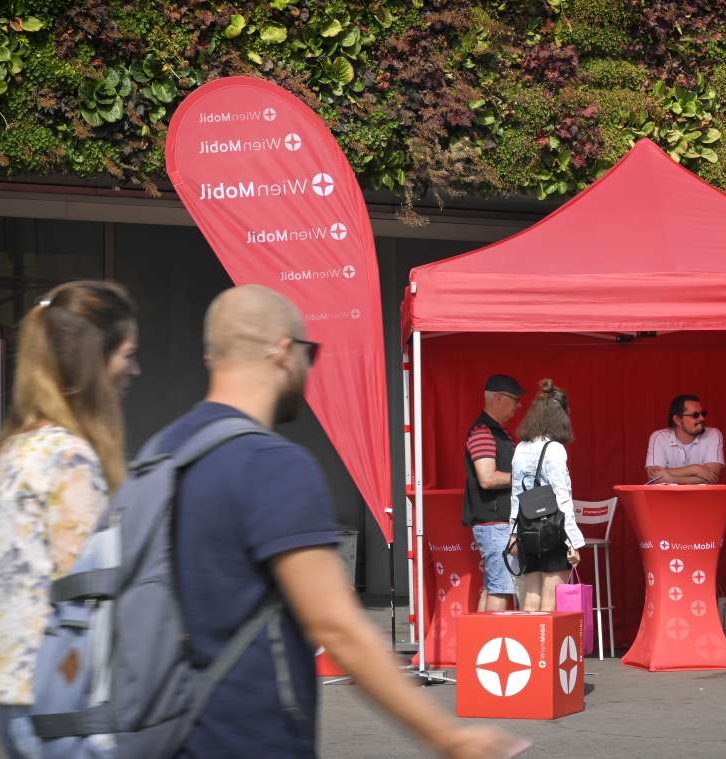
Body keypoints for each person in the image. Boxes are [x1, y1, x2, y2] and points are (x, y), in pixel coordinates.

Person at [163, 285, 523, 759]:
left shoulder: (161, 456)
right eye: (309, 353)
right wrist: (448, 737)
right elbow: (338, 627)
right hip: (252, 736)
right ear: (284, 352)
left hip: (168, 730)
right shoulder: (272, 465)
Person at [0, 281, 140, 756]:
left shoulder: (8, 454)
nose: (135, 370)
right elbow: (91, 597)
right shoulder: (69, 460)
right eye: (127, 354)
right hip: (70, 700)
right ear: (93, 361)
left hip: (18, 696)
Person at [509, 379, 584, 611]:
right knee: (552, 601)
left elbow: (516, 494)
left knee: (531, 599)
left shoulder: (520, 447)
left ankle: (528, 646)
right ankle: (545, 648)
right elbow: (562, 498)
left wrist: (513, 531)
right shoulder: (555, 449)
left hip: (527, 530)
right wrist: (572, 540)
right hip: (552, 530)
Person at [463, 374, 526, 612]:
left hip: (500, 523)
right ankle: (490, 644)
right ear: (498, 398)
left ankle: (477, 646)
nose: (518, 405)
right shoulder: (482, 432)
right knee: (501, 589)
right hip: (495, 524)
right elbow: (487, 478)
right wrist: (525, 478)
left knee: (493, 587)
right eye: (515, 399)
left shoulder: (500, 432)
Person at [645, 394, 725, 484]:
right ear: (677, 420)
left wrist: (672, 480)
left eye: (702, 413)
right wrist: (695, 469)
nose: (702, 418)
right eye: (695, 415)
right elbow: (653, 476)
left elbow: (711, 479)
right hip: (667, 497)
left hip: (702, 497)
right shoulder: (659, 437)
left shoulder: (713, 434)